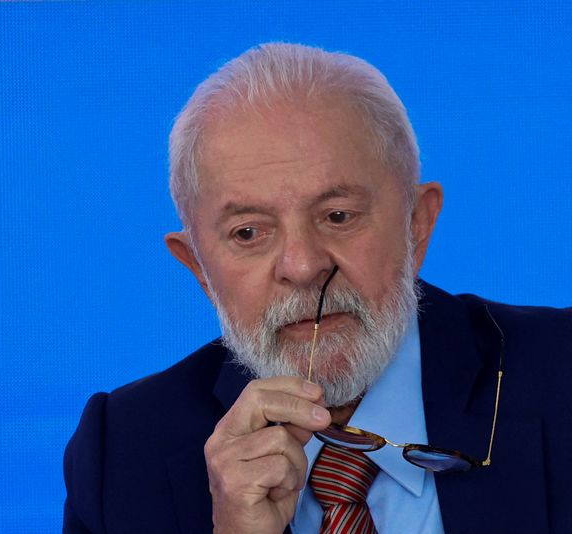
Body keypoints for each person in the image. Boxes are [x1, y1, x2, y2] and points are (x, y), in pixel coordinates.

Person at [63, 43, 572, 533]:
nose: (303, 266)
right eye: (248, 232)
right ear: (198, 266)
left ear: (417, 223)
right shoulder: (122, 455)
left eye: (338, 216)